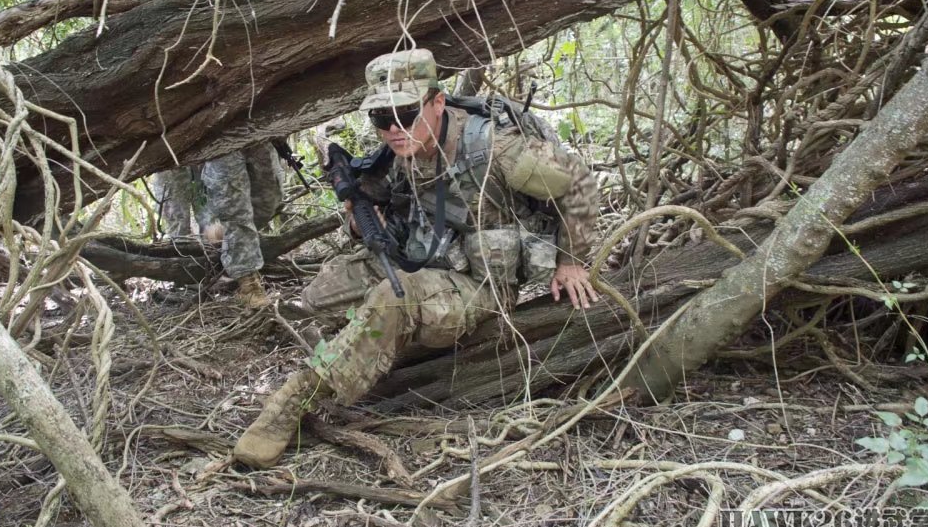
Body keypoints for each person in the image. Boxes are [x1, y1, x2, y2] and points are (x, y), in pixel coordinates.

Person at [233, 49, 600, 467]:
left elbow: (581, 184)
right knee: (320, 294)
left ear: (437, 102)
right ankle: (374, 344)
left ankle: (296, 399)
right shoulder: (398, 151)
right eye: (380, 118)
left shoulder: (495, 148)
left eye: (405, 113)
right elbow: (378, 211)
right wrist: (359, 221)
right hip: (422, 261)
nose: (393, 128)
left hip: (481, 286)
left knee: (394, 298)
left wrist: (572, 260)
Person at [200, 143, 284, 309]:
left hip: (258, 135)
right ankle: (249, 288)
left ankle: (223, 235)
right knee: (237, 214)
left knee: (270, 201)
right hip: (220, 144)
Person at [150, 166, 210, 238]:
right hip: (169, 169)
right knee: (178, 224)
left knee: (210, 219)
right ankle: (180, 246)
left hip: (200, 164)